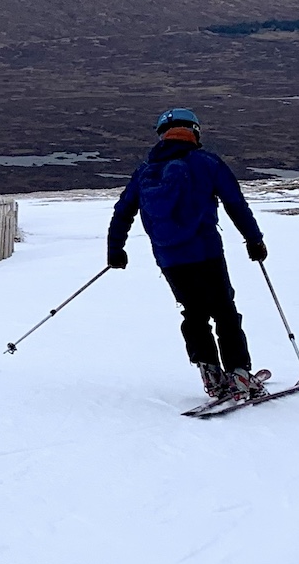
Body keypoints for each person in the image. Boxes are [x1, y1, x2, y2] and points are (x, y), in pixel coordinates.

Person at [106, 107, 270, 401]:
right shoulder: (206, 163)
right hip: (206, 253)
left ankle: (211, 374)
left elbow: (123, 211)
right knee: (224, 311)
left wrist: (115, 250)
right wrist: (254, 240)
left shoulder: (145, 171)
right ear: (194, 132)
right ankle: (239, 376)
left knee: (194, 313)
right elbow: (235, 203)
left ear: (162, 135)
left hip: (169, 258)